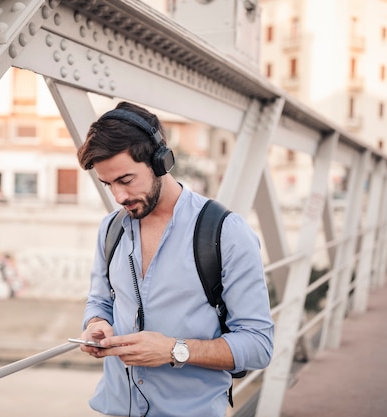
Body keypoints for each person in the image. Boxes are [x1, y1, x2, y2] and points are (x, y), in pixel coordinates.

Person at [76, 101, 274, 417]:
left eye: (126, 180)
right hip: (116, 408)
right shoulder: (110, 229)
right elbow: (99, 301)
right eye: (108, 184)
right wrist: (96, 324)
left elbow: (258, 347)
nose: (119, 197)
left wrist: (173, 350)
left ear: (161, 162)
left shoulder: (227, 233)